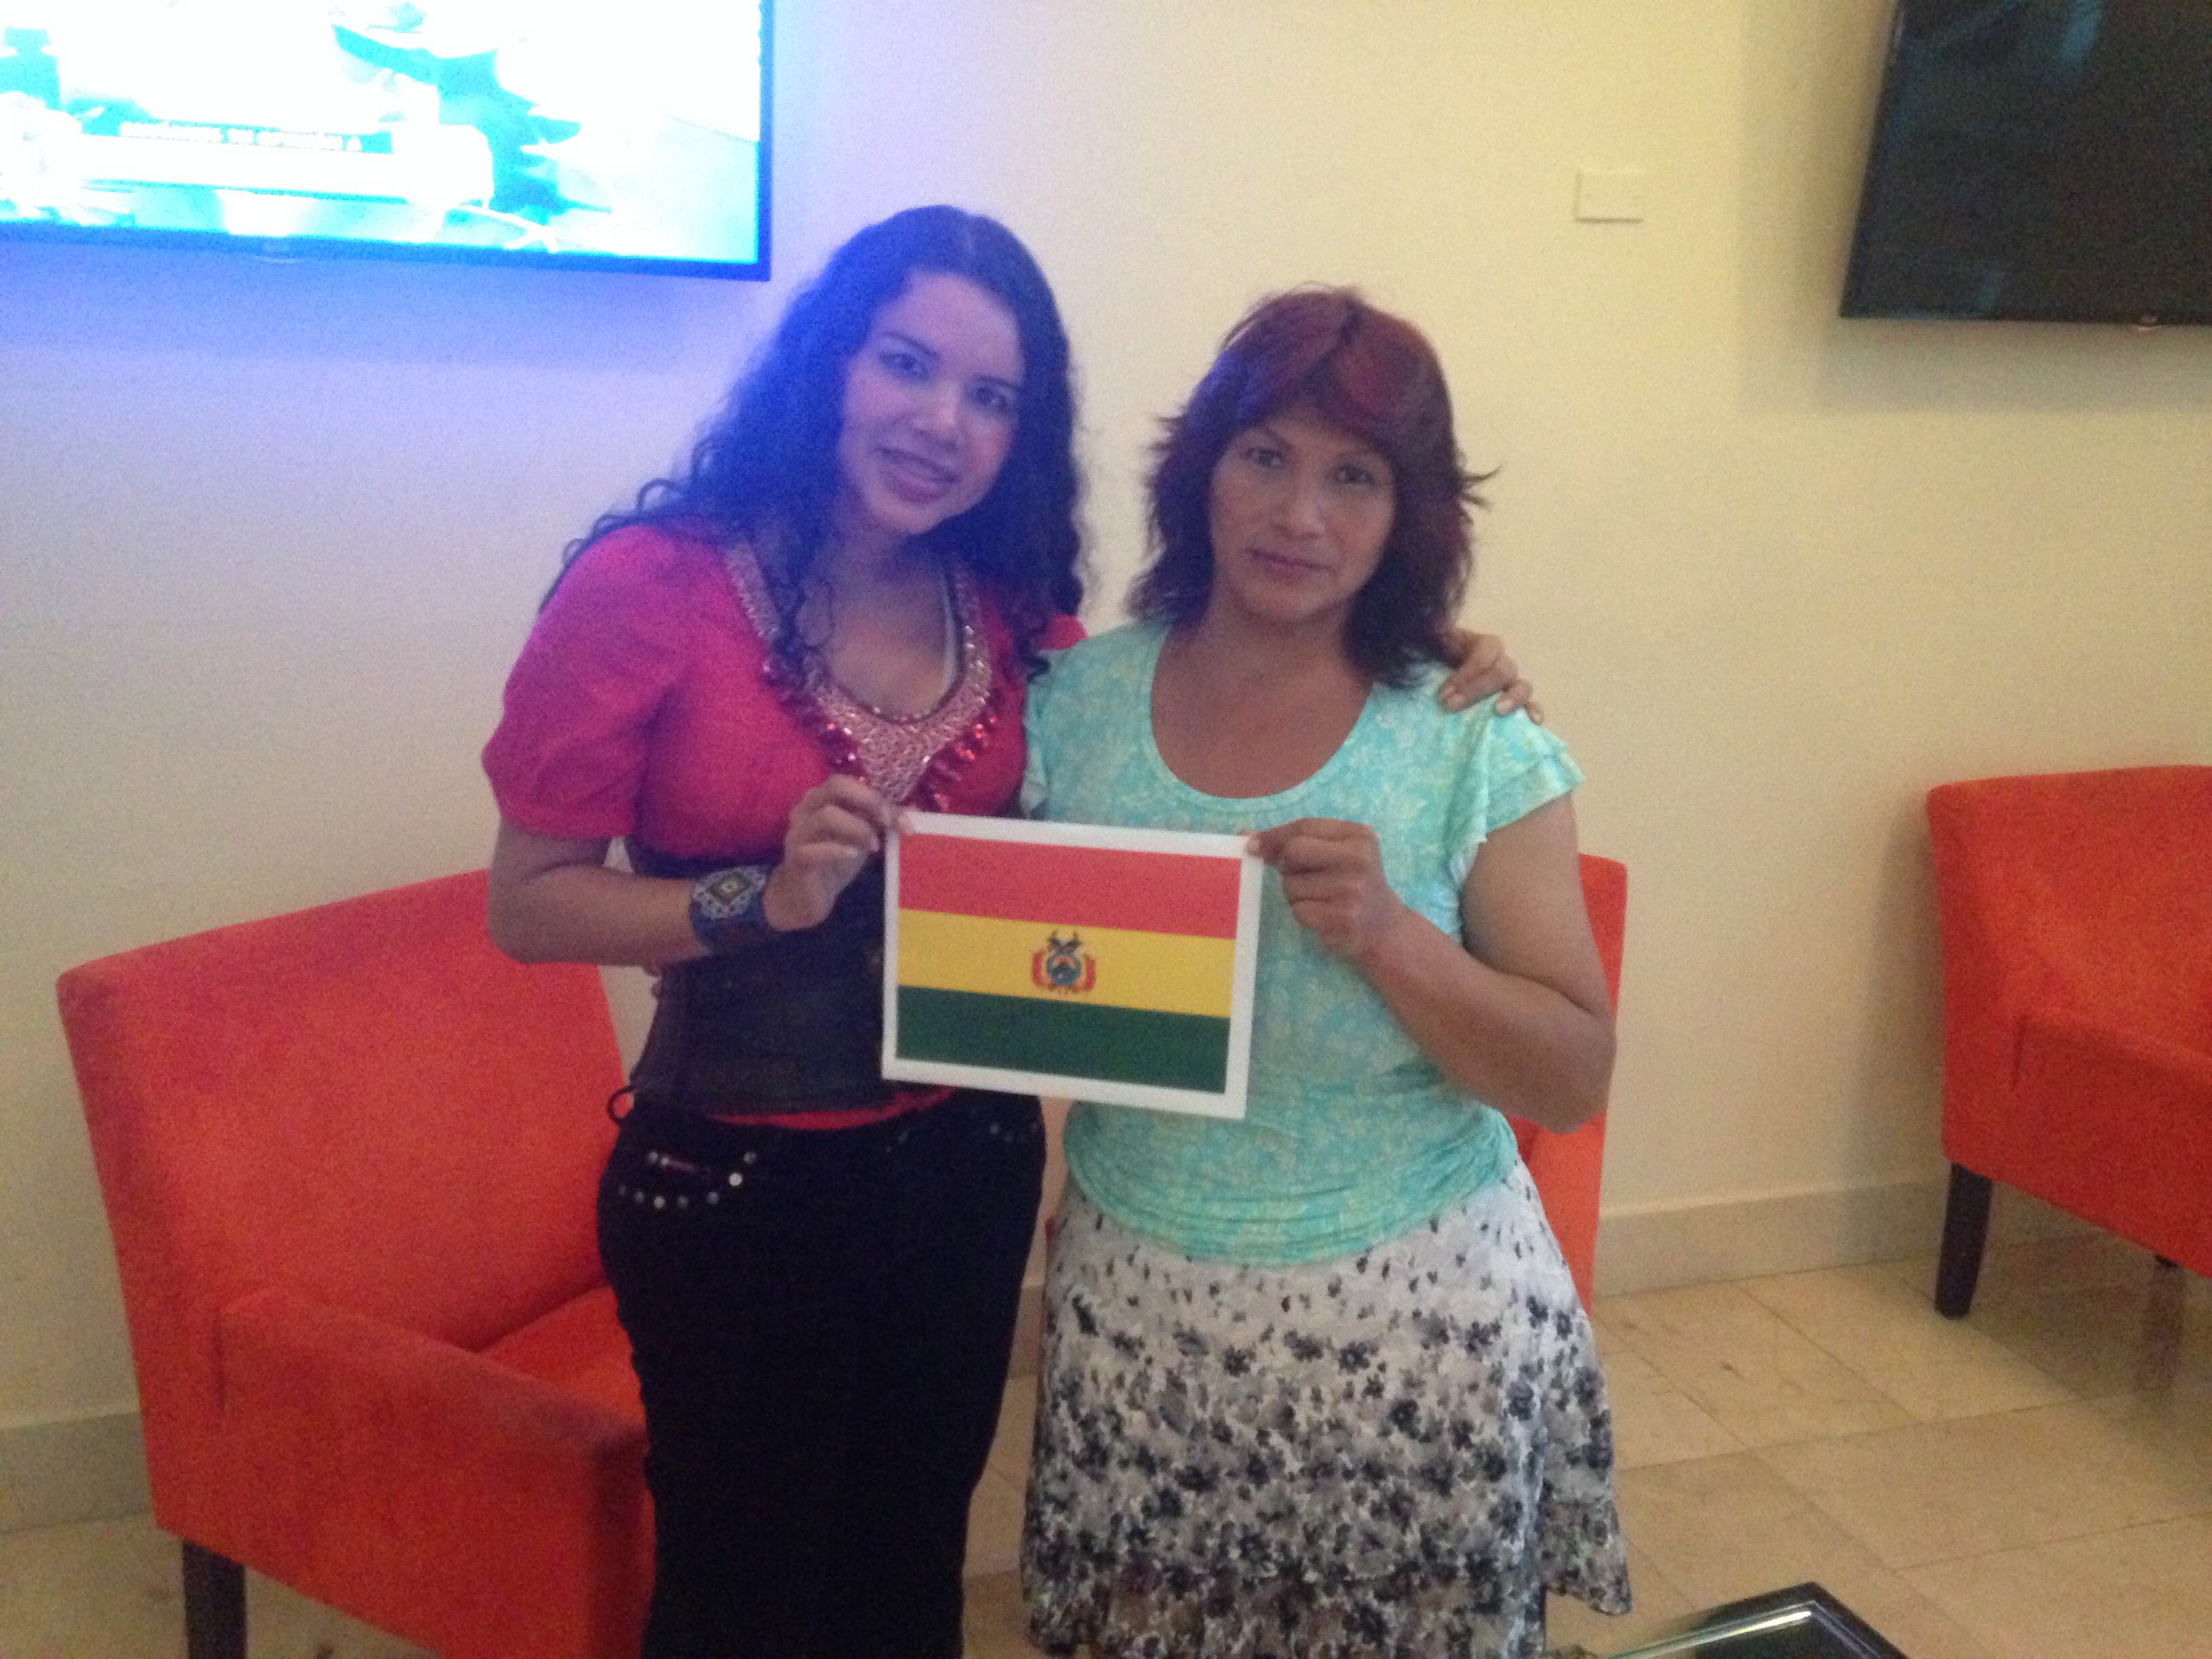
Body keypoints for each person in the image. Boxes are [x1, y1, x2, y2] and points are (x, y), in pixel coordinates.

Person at [481, 207, 1534, 1658]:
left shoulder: (1017, 619)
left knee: (911, 1572)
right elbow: (528, 902)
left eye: (991, 397)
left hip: (963, 1168)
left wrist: (1428, 648)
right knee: (741, 1591)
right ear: (829, 363)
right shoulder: (652, 586)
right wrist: (752, 901)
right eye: (906, 365)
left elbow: (1183, 711)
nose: (942, 422)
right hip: (734, 1176)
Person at [1019, 288, 1629, 1659]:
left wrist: (1394, 935)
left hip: (1414, 1330)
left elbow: (1570, 1076)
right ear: (1202, 470)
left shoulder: (1471, 735)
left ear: (1410, 513)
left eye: (1355, 476)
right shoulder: (1074, 706)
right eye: (1266, 456)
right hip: (1139, 1315)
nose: (1301, 514)